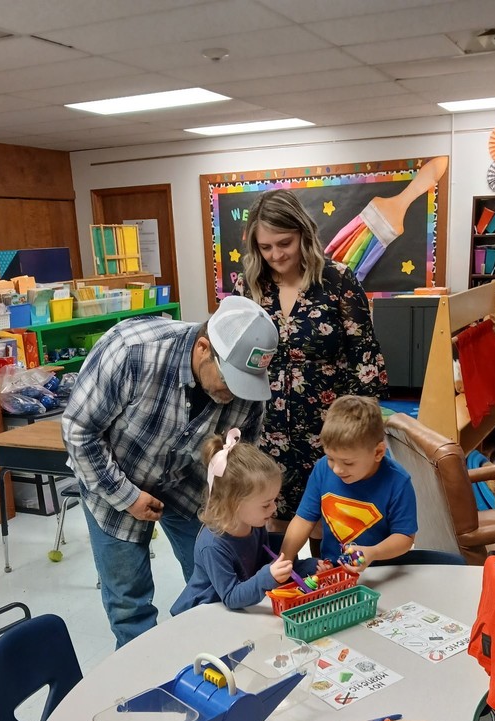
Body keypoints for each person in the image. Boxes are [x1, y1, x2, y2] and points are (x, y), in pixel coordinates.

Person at [61, 295, 278, 648]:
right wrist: (127, 497)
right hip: (116, 478)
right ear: (203, 348)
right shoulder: (131, 352)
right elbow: (78, 430)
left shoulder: (248, 390)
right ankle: (146, 677)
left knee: (216, 583)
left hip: (191, 486)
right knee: (129, 603)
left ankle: (213, 663)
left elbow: (239, 466)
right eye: (230, 380)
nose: (236, 393)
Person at [234, 189, 387, 545]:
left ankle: (329, 593)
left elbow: (364, 359)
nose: (276, 255)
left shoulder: (338, 281)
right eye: (265, 247)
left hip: (327, 431)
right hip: (265, 427)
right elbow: (234, 356)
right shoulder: (249, 286)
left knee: (330, 525)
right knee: (267, 521)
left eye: (284, 243)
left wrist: (363, 432)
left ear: (304, 233)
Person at [170, 429, 318, 615]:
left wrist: (308, 566)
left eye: (274, 501)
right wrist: (268, 576)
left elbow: (265, 562)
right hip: (205, 615)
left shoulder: (254, 525)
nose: (274, 509)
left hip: (241, 611)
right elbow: (232, 597)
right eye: (266, 505)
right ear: (234, 505)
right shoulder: (213, 545)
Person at [280, 395, 417, 570]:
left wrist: (373, 552)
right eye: (331, 458)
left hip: (381, 572)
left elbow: (405, 537)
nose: (337, 469)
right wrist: (284, 560)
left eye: (348, 463)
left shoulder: (398, 482)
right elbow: (303, 520)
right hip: (334, 571)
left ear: (378, 452)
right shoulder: (323, 469)